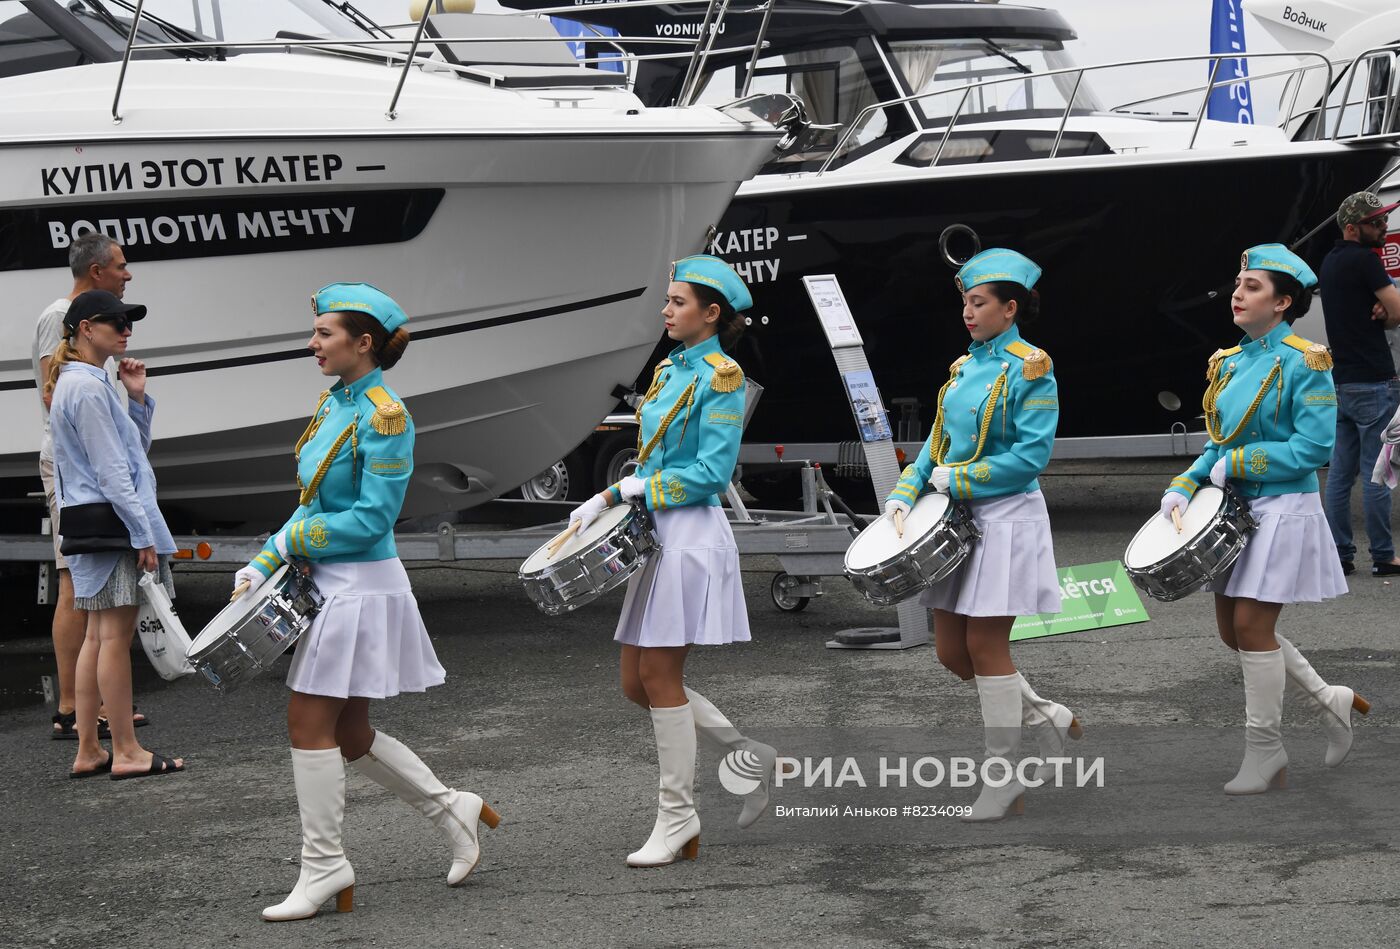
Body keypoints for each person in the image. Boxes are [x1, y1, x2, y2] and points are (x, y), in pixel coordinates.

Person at [237, 283, 497, 922]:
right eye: (316, 332)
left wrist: (293, 541)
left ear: (364, 343)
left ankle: (325, 869)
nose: (313, 343)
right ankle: (451, 808)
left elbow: (373, 517)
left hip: (360, 584)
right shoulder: (335, 404)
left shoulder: (386, 414)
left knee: (307, 721)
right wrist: (264, 559)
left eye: (325, 334)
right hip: (333, 581)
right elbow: (314, 501)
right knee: (348, 731)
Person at [568, 255, 776, 867]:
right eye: (668, 300)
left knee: (658, 680)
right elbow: (654, 455)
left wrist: (631, 489)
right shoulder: (669, 369)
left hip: (689, 536)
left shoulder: (722, 376)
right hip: (657, 533)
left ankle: (679, 818)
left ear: (711, 314)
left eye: (677, 302)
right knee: (638, 684)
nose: (666, 310)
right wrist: (610, 495)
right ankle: (752, 757)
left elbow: (711, 474)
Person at [1162, 244, 1366, 794]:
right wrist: (1186, 483)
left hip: (1282, 508)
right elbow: (1219, 441)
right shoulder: (1230, 361)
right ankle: (1329, 698)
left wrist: (1239, 463)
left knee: (1252, 628)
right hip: (1235, 511)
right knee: (1234, 632)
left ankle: (1265, 751)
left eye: (1252, 286)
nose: (1237, 292)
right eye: (1238, 283)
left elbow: (1313, 448)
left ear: (1283, 303)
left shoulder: (1306, 360)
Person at [884, 247, 1071, 823]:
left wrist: (956, 479)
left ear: (1009, 308)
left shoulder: (1032, 366)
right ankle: (1043, 715)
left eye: (979, 302)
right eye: (964, 302)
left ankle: (1004, 777)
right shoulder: (963, 369)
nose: (967, 312)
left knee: (987, 649)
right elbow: (936, 444)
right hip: (956, 518)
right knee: (950, 652)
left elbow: (1030, 458)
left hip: (1007, 518)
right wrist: (905, 489)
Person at [46, 289, 183, 780]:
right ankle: (125, 750)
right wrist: (142, 533)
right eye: (115, 322)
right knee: (112, 639)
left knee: (97, 638)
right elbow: (113, 471)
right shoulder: (84, 387)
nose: (126, 329)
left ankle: (89, 750)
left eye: (128, 322)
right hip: (113, 525)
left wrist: (137, 398)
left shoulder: (82, 382)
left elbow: (129, 452)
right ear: (85, 328)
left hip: (92, 525)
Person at [32, 233, 143, 740]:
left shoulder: (93, 366)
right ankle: (75, 706)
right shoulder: (62, 317)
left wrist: (136, 402)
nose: (128, 273)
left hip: (83, 472)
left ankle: (90, 711)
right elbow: (56, 397)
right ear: (96, 272)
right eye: (120, 265)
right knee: (78, 587)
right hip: (75, 475)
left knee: (90, 601)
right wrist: (143, 530)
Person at [1318, 192, 1400, 576]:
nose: (1383, 227)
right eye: (1375, 222)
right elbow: (1397, 314)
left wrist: (1383, 306)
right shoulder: (1366, 261)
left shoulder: (1331, 262)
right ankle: (1384, 556)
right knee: (1377, 471)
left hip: (1342, 381)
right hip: (1374, 380)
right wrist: (1387, 310)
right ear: (1353, 228)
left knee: (1339, 473)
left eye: (1383, 220)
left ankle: (1339, 553)